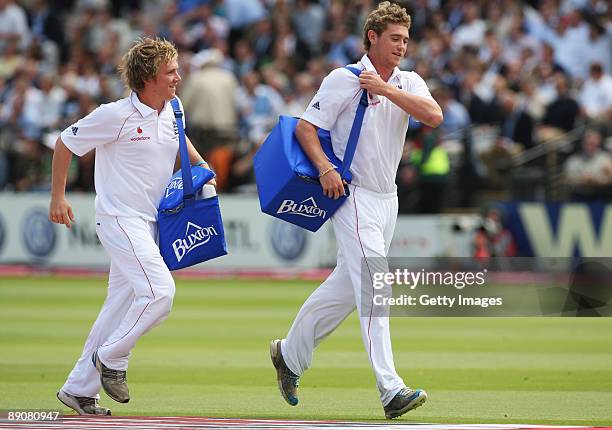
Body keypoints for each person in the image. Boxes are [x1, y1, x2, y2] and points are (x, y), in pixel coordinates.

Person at [269, 2, 442, 420]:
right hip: (354, 195)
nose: (401, 46)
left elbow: (434, 117)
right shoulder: (342, 79)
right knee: (375, 285)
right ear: (372, 37)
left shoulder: (408, 80)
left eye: (405, 39)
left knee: (345, 289)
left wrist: (385, 90)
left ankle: (289, 355)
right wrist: (326, 168)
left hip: (388, 198)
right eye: (394, 38)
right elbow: (305, 129)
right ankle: (391, 388)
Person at [49, 37, 213, 415]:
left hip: (154, 222)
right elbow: (64, 143)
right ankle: (112, 360)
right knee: (160, 293)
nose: (178, 76)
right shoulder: (115, 114)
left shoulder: (174, 109)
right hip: (120, 219)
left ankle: (78, 388)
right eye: (169, 71)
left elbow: (183, 147)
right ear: (147, 78)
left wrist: (206, 174)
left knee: (116, 310)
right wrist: (58, 197)